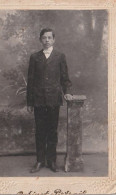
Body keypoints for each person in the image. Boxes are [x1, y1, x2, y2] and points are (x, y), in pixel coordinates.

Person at [27, 28, 73, 173]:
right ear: (40, 40)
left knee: (52, 131)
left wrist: (67, 93)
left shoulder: (60, 56)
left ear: (54, 40)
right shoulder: (34, 57)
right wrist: (30, 102)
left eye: (49, 38)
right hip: (39, 100)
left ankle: (51, 161)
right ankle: (40, 161)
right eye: (44, 38)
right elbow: (31, 80)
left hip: (54, 99)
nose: (47, 40)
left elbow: (65, 78)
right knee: (40, 131)